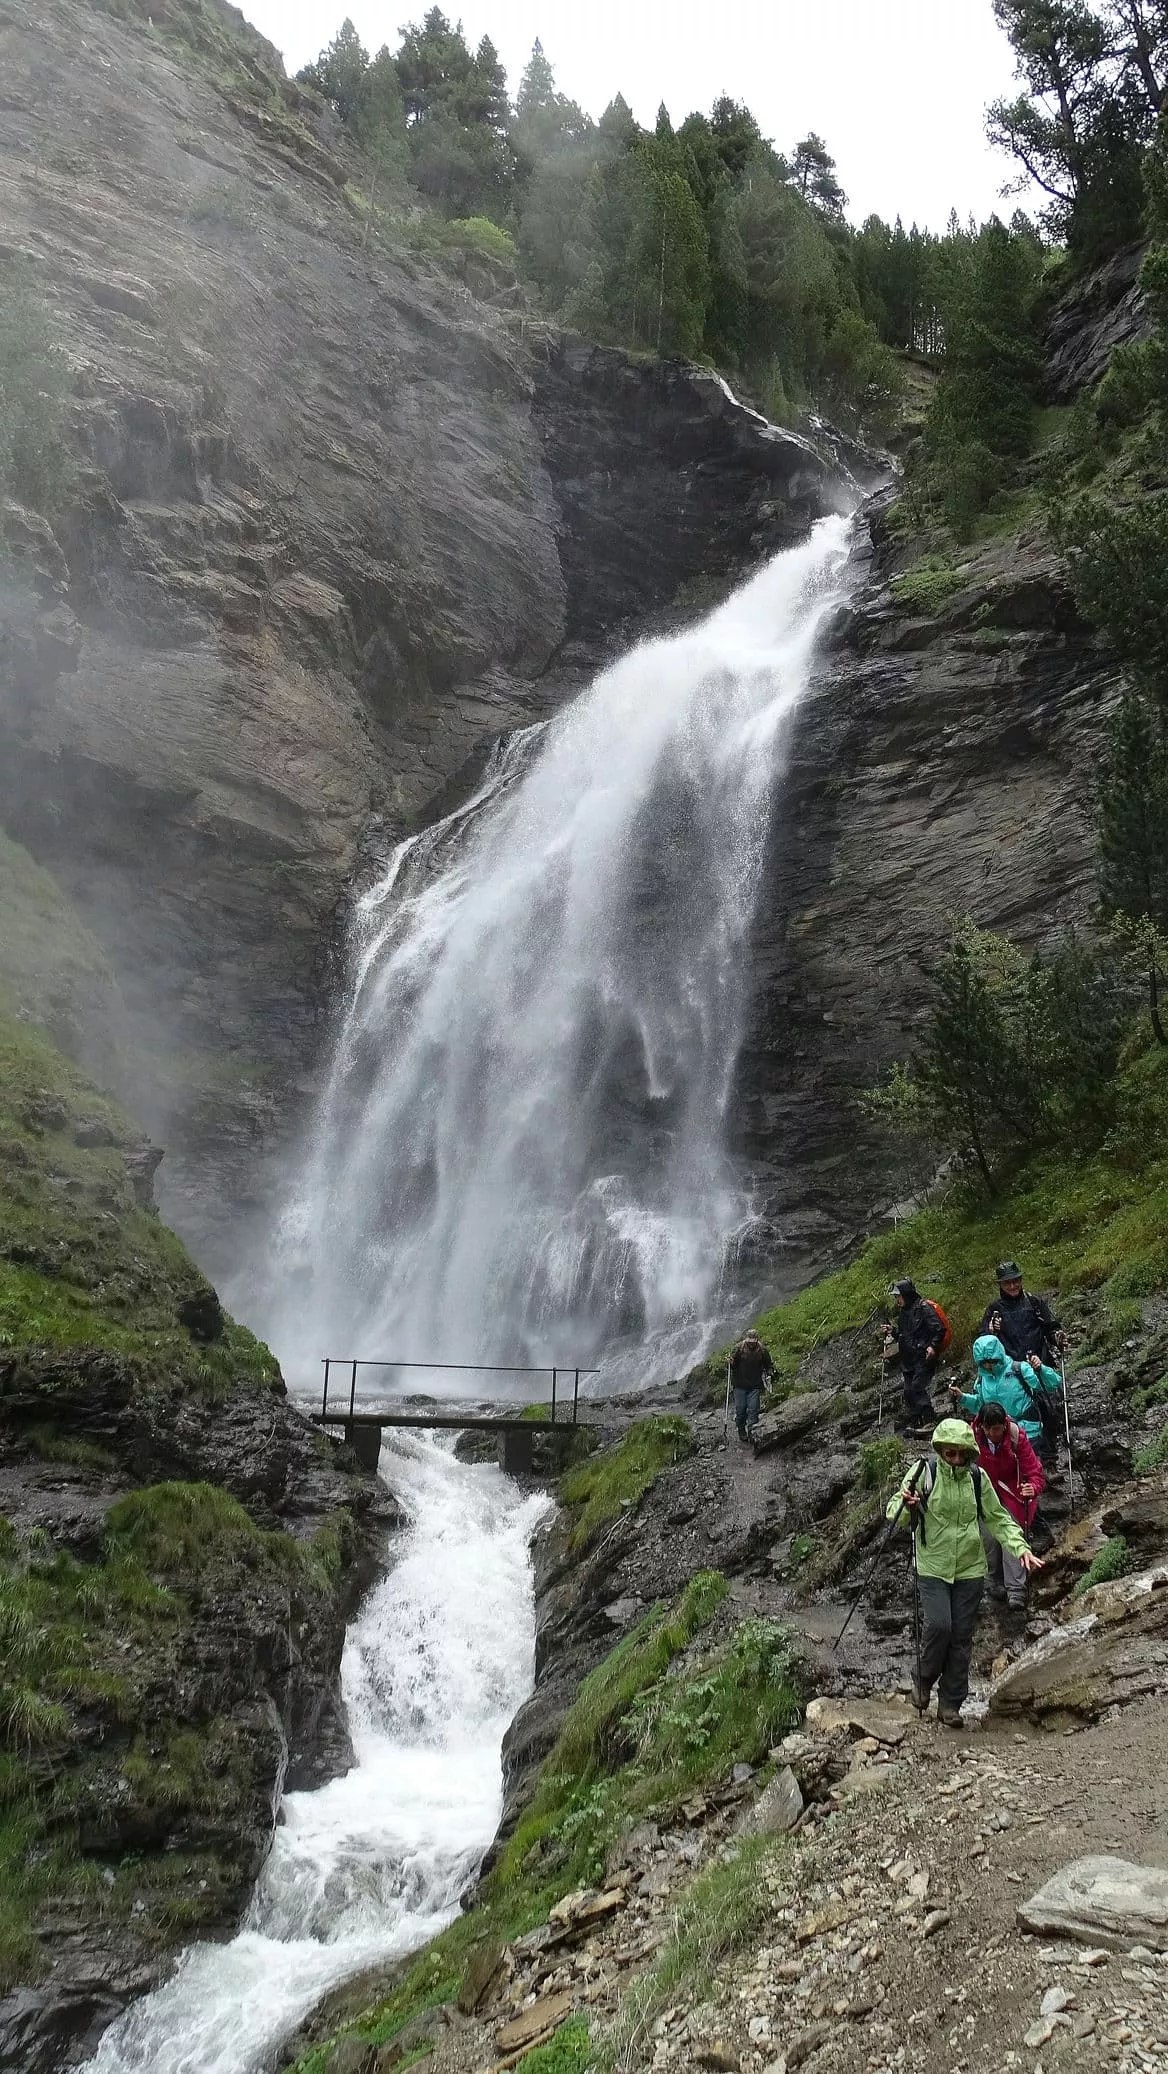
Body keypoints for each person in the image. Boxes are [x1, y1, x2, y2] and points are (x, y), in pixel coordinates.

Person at [887, 1417, 1044, 1727]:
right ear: (941, 1450)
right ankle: (922, 1680)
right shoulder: (924, 1472)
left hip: (970, 1569)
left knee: (961, 1637)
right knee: (940, 1626)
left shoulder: (977, 1477)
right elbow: (894, 1512)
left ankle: (950, 1704)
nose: (956, 1459)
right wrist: (907, 1505)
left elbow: (998, 1518)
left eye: (962, 1454)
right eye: (950, 1453)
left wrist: (1020, 1547)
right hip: (933, 1566)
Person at [972, 1400, 1045, 1609]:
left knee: (1011, 1535)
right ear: (981, 1427)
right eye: (988, 1429)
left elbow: (1034, 1470)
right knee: (987, 1539)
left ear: (1004, 1424)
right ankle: (992, 1581)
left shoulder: (1016, 1436)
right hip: (984, 1494)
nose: (993, 1433)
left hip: (1011, 1493)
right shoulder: (971, 1438)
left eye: (997, 1429)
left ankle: (1016, 1589)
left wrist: (1033, 1487)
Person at [953, 1334, 1062, 1456]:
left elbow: (1052, 1384)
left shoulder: (1018, 1369)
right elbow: (981, 1405)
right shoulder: (982, 1379)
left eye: (992, 1361)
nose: (988, 1366)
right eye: (984, 1362)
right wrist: (962, 1397)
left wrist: (1040, 1369)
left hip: (1028, 1431)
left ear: (999, 1355)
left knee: (1031, 1468)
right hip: (999, 1434)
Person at [883, 1280, 946, 1435]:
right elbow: (905, 1336)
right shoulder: (904, 1313)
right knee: (908, 1391)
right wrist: (893, 1331)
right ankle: (916, 1421)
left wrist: (932, 1346)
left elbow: (939, 1329)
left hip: (924, 1356)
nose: (897, 1300)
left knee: (917, 1387)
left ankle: (929, 1420)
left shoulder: (923, 1308)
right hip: (909, 1359)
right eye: (896, 1297)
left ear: (907, 1294)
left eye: (899, 1296)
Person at [979, 1261, 1066, 1366]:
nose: (1012, 1286)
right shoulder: (994, 1309)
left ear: (1020, 1280)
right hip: (1011, 1370)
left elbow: (1051, 1326)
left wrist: (1057, 1336)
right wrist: (992, 1331)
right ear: (1000, 1285)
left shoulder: (1033, 1302)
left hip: (1041, 1365)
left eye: (1015, 1281)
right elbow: (983, 1341)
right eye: (1007, 1283)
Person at [729, 1329, 773, 1442]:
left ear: (756, 1340)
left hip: (755, 1385)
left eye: (753, 1341)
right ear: (746, 1340)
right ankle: (741, 1430)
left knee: (753, 1410)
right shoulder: (738, 1348)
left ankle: (752, 1432)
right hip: (740, 1385)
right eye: (749, 1341)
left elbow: (769, 1364)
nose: (751, 1343)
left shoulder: (762, 1350)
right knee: (741, 1409)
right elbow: (732, 1366)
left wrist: (769, 1372)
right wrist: (731, 1363)